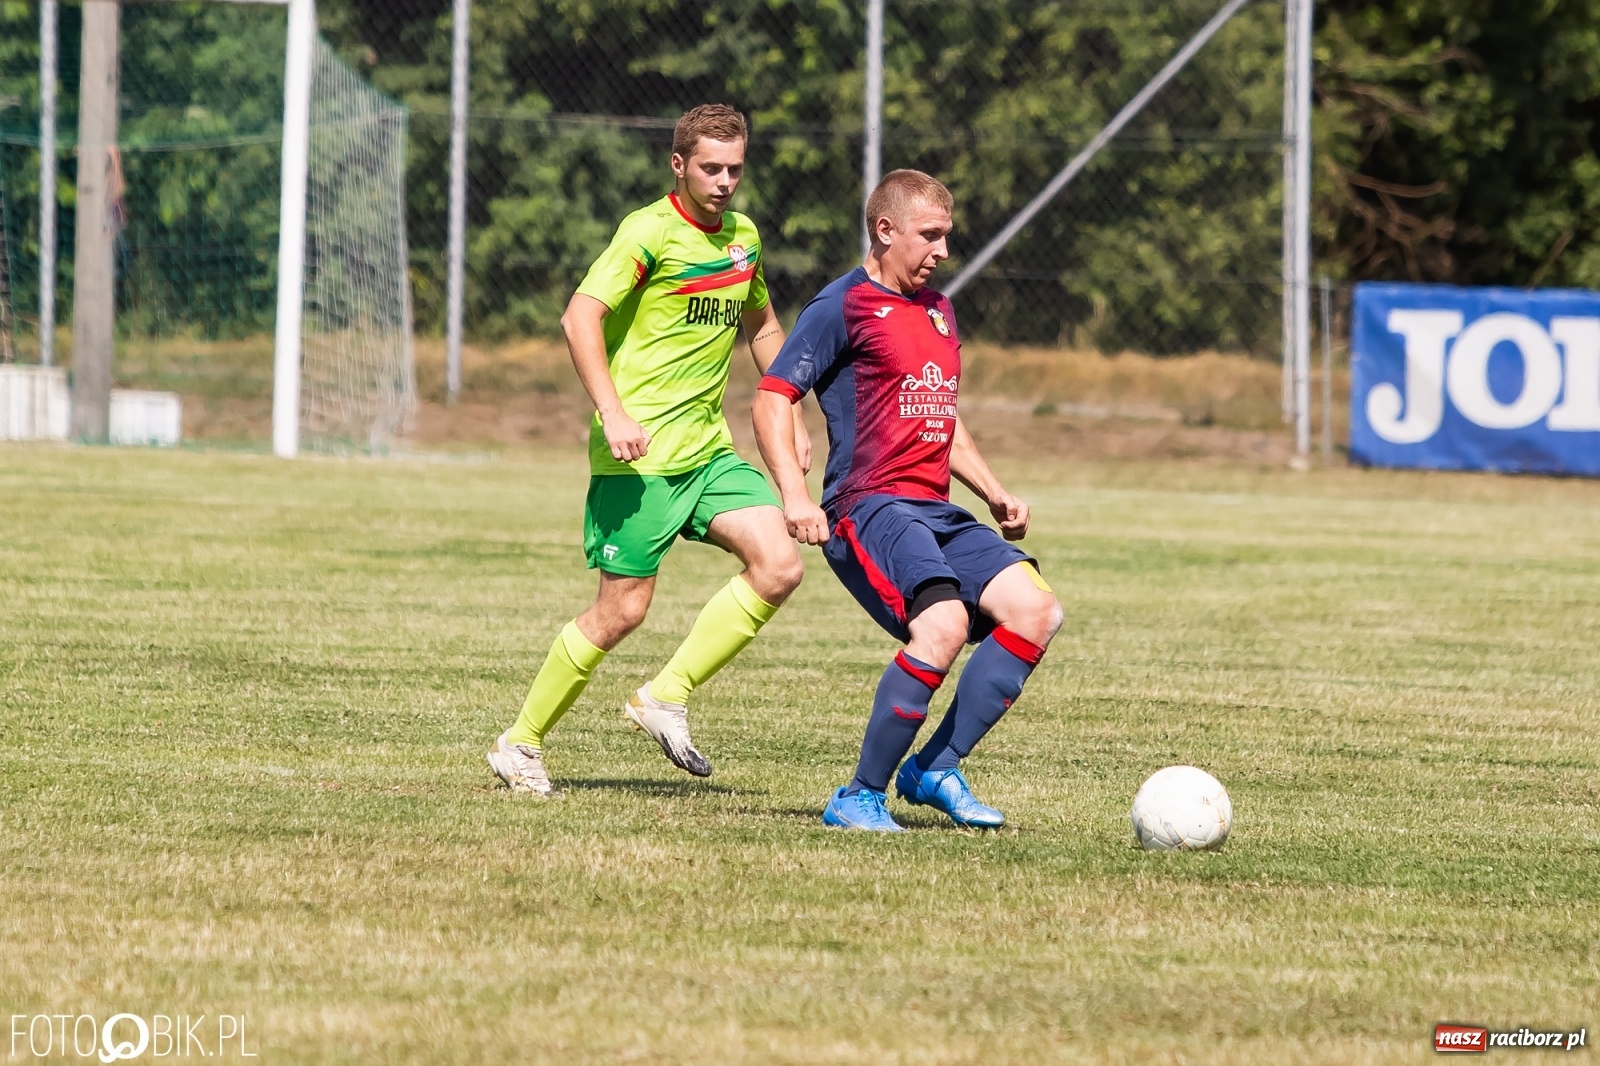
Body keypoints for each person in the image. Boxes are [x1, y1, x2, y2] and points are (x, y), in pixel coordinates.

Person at [488, 104, 809, 795]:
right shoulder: (648, 232)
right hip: (638, 459)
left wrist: (790, 407)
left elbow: (763, 328)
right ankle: (520, 743)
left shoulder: (742, 239)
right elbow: (580, 316)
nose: (725, 182)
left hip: (707, 453)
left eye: (735, 169)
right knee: (623, 611)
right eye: (710, 168)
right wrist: (612, 410)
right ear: (679, 165)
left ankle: (663, 698)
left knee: (780, 565)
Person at [752, 169, 1062, 832]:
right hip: (869, 506)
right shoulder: (842, 306)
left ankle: (936, 769)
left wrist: (995, 492)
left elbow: (940, 417)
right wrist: (795, 496)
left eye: (947, 237)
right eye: (931, 236)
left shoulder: (939, 311)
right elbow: (772, 397)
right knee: (943, 625)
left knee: (1036, 610)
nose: (942, 252)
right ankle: (859, 796)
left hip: (936, 507)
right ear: (885, 230)